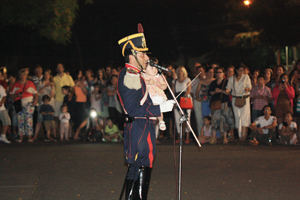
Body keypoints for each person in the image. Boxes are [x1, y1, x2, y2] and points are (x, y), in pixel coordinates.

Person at [117, 28, 174, 199]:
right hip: (138, 127)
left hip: (142, 127)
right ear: (132, 55)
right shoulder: (131, 75)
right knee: (140, 165)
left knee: (139, 166)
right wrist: (160, 109)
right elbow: (133, 109)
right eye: (142, 54)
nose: (147, 58)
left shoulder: (136, 75)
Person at [10, 69, 38, 143]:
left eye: (24, 74)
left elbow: (35, 93)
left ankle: (29, 136)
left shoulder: (30, 83)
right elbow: (11, 95)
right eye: (21, 75)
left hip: (29, 103)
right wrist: (17, 95)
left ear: (26, 76)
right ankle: (21, 136)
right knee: (20, 120)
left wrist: (35, 100)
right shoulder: (16, 84)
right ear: (19, 76)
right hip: (19, 104)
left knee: (29, 120)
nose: (22, 76)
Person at [226, 63, 252, 144]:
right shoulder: (232, 78)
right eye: (240, 70)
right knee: (237, 117)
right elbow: (228, 87)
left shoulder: (246, 77)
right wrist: (227, 90)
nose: (241, 72)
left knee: (244, 117)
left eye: (243, 70)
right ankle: (240, 136)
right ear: (236, 70)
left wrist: (247, 88)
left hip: (244, 99)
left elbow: (250, 87)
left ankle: (243, 136)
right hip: (235, 99)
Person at [209, 67, 234, 144]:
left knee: (224, 120)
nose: (218, 74)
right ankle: (213, 138)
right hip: (215, 103)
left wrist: (220, 91)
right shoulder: (213, 83)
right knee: (214, 120)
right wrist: (215, 92)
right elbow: (210, 92)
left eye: (220, 72)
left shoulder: (226, 82)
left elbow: (228, 92)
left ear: (223, 73)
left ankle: (225, 138)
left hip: (224, 103)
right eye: (217, 72)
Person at [141, 58, 167, 131]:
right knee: (150, 109)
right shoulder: (143, 76)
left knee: (158, 108)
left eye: (156, 67)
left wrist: (160, 85)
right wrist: (148, 82)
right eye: (152, 67)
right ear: (144, 69)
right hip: (148, 95)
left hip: (157, 95)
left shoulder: (159, 76)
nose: (154, 69)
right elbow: (140, 83)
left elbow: (165, 86)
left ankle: (161, 121)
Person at [33, 69, 55, 140]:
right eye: (45, 74)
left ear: (50, 75)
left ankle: (48, 135)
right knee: (39, 120)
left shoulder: (52, 83)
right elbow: (38, 92)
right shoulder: (40, 83)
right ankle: (35, 136)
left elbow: (52, 95)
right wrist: (45, 86)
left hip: (49, 104)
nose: (46, 76)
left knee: (49, 121)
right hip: (41, 104)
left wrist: (51, 87)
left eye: (48, 74)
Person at [172, 66, 192, 144]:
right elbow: (173, 92)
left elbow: (188, 91)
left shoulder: (188, 80)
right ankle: (180, 137)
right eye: (178, 71)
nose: (180, 72)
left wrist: (182, 98)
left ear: (184, 72)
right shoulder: (174, 81)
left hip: (185, 99)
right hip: (177, 100)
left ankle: (187, 137)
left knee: (187, 118)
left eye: (181, 71)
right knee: (178, 119)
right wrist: (174, 101)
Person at [53, 63, 75, 129]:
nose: (60, 68)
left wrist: (71, 95)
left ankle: (68, 134)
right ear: (56, 69)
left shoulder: (68, 77)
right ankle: (55, 134)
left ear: (63, 68)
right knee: (56, 117)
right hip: (58, 99)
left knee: (68, 118)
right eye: (58, 67)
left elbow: (73, 87)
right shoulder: (54, 78)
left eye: (61, 66)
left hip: (67, 100)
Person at [192, 65, 205, 137]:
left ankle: (207, 135)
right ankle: (200, 135)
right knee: (198, 118)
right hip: (197, 101)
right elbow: (190, 91)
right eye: (198, 71)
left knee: (206, 118)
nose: (200, 72)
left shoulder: (207, 79)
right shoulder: (194, 81)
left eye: (201, 71)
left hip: (205, 100)